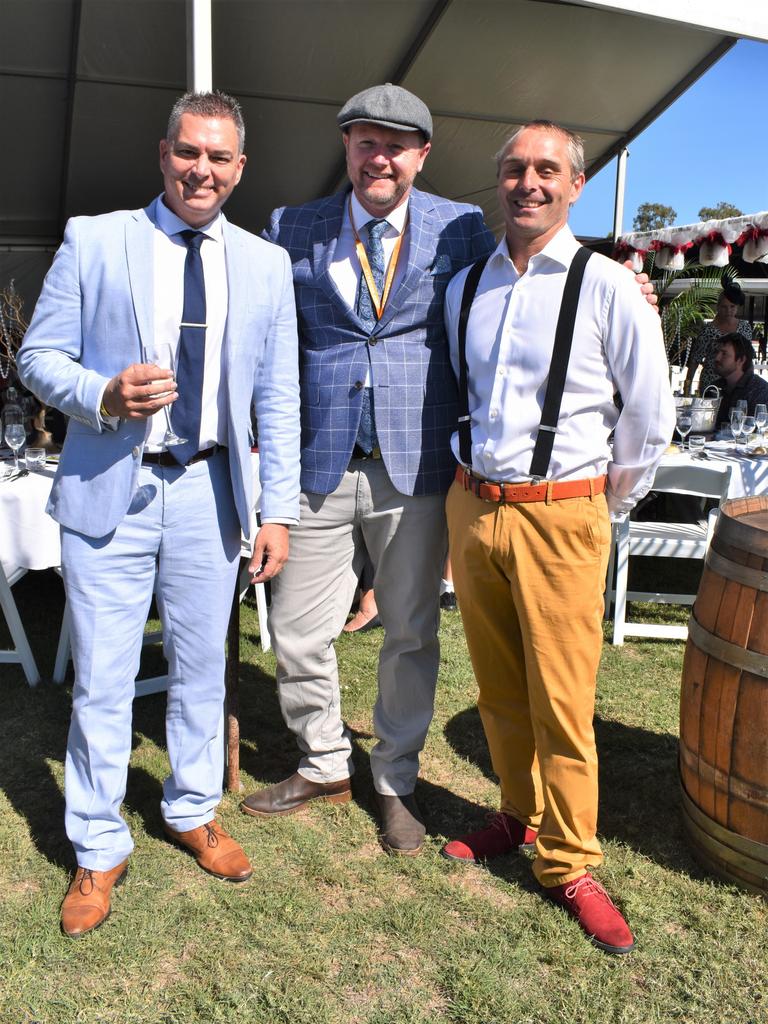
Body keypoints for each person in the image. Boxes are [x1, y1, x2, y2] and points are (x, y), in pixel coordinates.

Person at [17, 91, 300, 937]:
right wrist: (102, 393)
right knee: (102, 677)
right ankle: (97, 847)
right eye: (188, 152)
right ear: (163, 152)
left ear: (239, 168)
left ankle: (189, 808)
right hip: (116, 487)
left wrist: (277, 508)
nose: (201, 170)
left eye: (218, 157)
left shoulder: (265, 264)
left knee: (203, 673)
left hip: (213, 493)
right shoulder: (95, 238)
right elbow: (37, 356)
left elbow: (278, 397)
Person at [239, 83, 497, 855]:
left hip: (415, 464)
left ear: (421, 154)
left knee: (410, 632)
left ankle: (394, 778)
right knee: (294, 630)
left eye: (395, 143)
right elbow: (250, 321)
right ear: (346, 147)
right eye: (364, 141)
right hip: (318, 461)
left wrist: (618, 283)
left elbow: (517, 291)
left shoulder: (463, 229)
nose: (378, 156)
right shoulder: (293, 226)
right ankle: (322, 760)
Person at [439, 120, 675, 955]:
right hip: (474, 506)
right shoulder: (465, 284)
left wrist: (603, 503)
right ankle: (516, 813)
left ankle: (570, 860)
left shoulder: (608, 285)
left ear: (575, 185)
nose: (528, 182)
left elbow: (650, 415)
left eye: (546, 169)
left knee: (564, 703)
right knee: (500, 684)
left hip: (563, 513)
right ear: (497, 182)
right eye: (513, 168)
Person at [685, 280, 753, 395]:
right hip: (711, 382)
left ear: (737, 307)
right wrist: (687, 386)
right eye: (724, 307)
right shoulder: (708, 330)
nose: (728, 311)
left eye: (732, 306)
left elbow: (748, 357)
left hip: (737, 382)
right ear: (718, 307)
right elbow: (695, 359)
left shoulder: (745, 327)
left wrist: (750, 381)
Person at [713, 332, 768, 424]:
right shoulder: (714, 388)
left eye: (724, 354)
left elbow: (760, 433)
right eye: (717, 352)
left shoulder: (760, 391)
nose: (717, 358)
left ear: (741, 360)